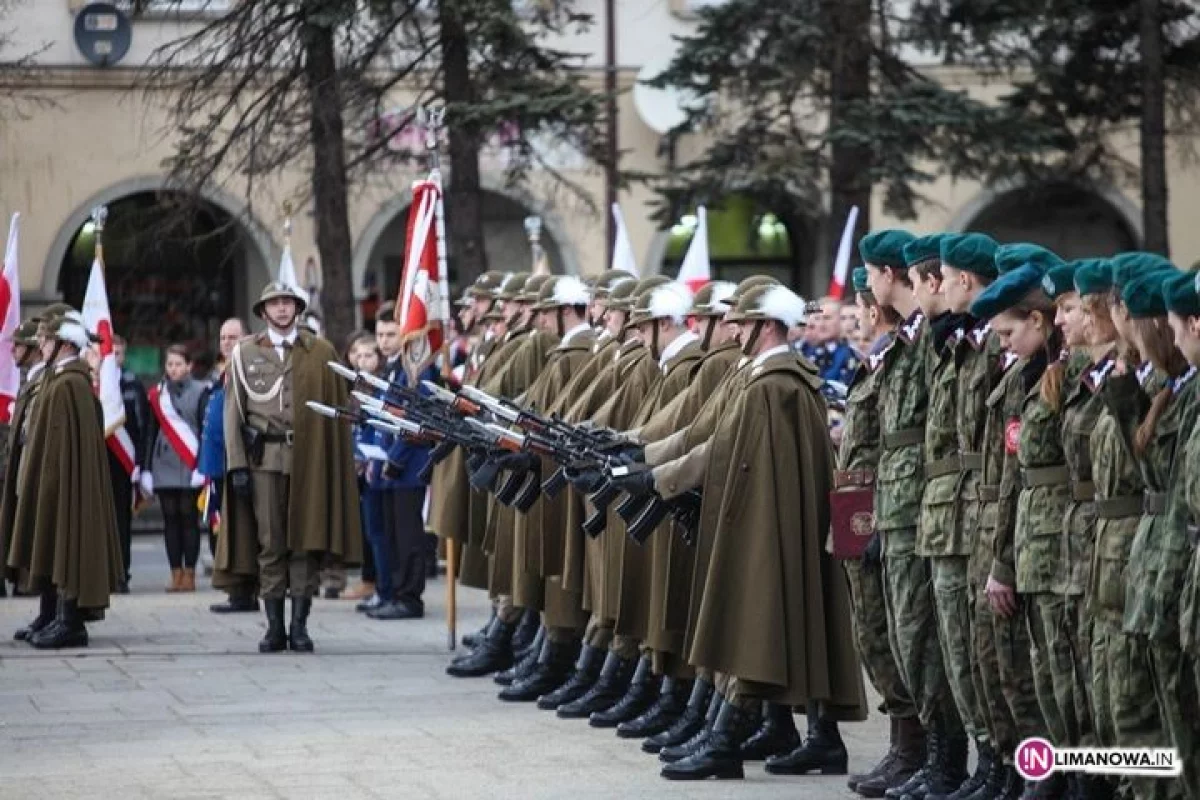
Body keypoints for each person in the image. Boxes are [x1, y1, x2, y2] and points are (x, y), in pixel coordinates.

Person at [625, 283, 867, 781]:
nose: (730, 327)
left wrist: (657, 479)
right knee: (784, 619)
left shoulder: (773, 385)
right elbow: (704, 436)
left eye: (741, 320)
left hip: (764, 522)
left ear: (767, 324)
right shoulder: (764, 377)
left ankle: (725, 741)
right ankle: (813, 737)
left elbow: (718, 449)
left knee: (758, 619)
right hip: (764, 517)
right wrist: (642, 463)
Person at [217, 282, 361, 653]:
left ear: (297, 309)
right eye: (274, 304)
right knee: (270, 544)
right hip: (264, 459)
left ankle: (300, 625)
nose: (281, 309)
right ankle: (274, 627)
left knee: (304, 542)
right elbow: (233, 412)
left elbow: (342, 403)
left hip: (308, 458)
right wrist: (237, 466)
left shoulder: (320, 351)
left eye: (287, 303)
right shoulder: (246, 353)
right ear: (263, 312)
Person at [831, 268, 921, 797]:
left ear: (871, 311)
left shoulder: (894, 362)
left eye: (862, 308)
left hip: (877, 501)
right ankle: (901, 744)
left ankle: (912, 746)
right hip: (855, 500)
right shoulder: (875, 363)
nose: (858, 319)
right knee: (870, 631)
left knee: (888, 631)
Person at [6, 310, 123, 648]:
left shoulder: (70, 383)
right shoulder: (58, 379)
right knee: (51, 545)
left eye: (45, 339)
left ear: (63, 343)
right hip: (50, 480)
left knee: (66, 545)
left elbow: (70, 448)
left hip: (64, 484)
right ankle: (52, 614)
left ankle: (69, 620)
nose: (39, 345)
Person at [364, 303, 439, 621]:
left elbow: (416, 418)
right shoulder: (394, 368)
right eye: (380, 334)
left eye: (391, 333)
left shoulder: (415, 369)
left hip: (409, 467)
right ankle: (394, 592)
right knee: (393, 535)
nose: (384, 341)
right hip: (390, 467)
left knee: (409, 537)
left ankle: (410, 597)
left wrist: (395, 458)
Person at [200, 318, 259, 613]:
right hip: (217, 464)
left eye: (233, 336)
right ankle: (235, 588)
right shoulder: (221, 374)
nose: (226, 342)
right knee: (222, 529)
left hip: (238, 462)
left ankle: (244, 591)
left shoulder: (250, 372)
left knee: (242, 529)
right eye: (223, 337)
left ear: (247, 338)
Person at [143, 344, 210, 592]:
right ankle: (175, 573)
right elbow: (150, 432)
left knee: (188, 518)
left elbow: (204, 431)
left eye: (178, 364)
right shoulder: (156, 395)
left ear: (189, 366)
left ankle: (190, 573)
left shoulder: (202, 391)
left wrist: (203, 465)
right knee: (170, 519)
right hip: (164, 463)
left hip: (190, 461)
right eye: (170, 364)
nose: (173, 369)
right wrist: (146, 468)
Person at [0, 316, 50, 597]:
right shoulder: (30, 379)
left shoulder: (42, 380)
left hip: (32, 463)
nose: (13, 351)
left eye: (18, 346)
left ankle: (31, 583)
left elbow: (31, 428)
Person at [113, 334, 151, 592]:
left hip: (123, 461)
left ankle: (121, 573)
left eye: (118, 353)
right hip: (100, 459)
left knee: (121, 520)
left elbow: (141, 423)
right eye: (110, 352)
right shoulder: (93, 383)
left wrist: (140, 462)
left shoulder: (131, 383)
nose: (114, 358)